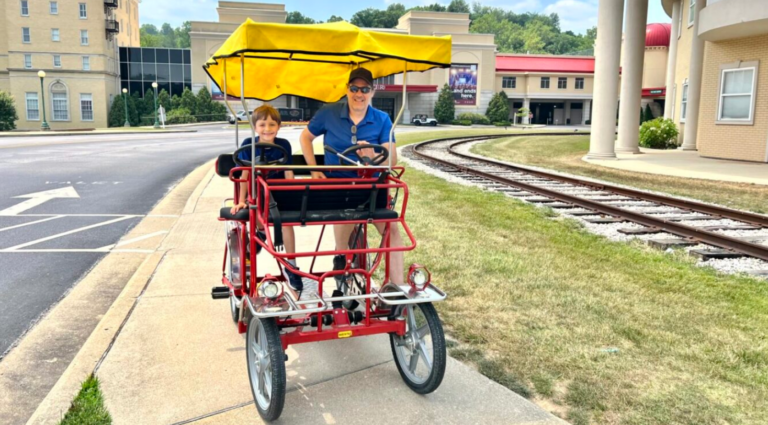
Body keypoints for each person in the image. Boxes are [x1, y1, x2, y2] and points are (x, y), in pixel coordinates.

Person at [299, 68, 405, 285]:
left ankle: (396, 287)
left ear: (372, 92)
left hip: (372, 187)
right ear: (347, 89)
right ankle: (342, 266)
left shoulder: (382, 119)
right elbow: (305, 137)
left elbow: (392, 159)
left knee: (392, 229)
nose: (359, 94)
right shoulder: (329, 113)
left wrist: (373, 155)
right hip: (339, 187)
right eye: (355, 88)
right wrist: (314, 169)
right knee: (344, 220)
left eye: (365, 89)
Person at [231, 104, 303, 291]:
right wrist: (241, 200)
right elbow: (245, 175)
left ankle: (291, 264)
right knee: (256, 210)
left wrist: (294, 192)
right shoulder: (248, 143)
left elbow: (288, 172)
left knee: (287, 221)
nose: (267, 129)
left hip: (279, 192)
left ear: (278, 126)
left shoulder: (284, 145)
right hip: (256, 193)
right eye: (262, 125)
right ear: (255, 127)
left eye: (272, 125)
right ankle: (260, 232)